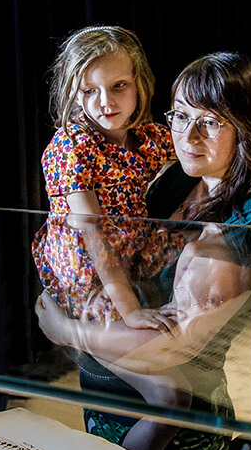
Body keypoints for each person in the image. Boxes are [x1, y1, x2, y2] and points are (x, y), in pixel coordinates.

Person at [37, 52, 251, 450]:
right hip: (108, 404)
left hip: (178, 440)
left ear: (244, 129)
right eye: (181, 117)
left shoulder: (249, 217)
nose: (188, 136)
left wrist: (67, 331)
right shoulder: (182, 177)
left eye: (209, 122)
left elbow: (173, 346)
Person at [31, 25, 176, 329]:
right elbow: (93, 234)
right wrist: (131, 311)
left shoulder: (148, 136)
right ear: (73, 93)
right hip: (90, 274)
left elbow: (202, 150)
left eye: (119, 86)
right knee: (152, 352)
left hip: (133, 254)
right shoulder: (72, 147)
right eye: (89, 91)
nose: (106, 102)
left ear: (140, 83)